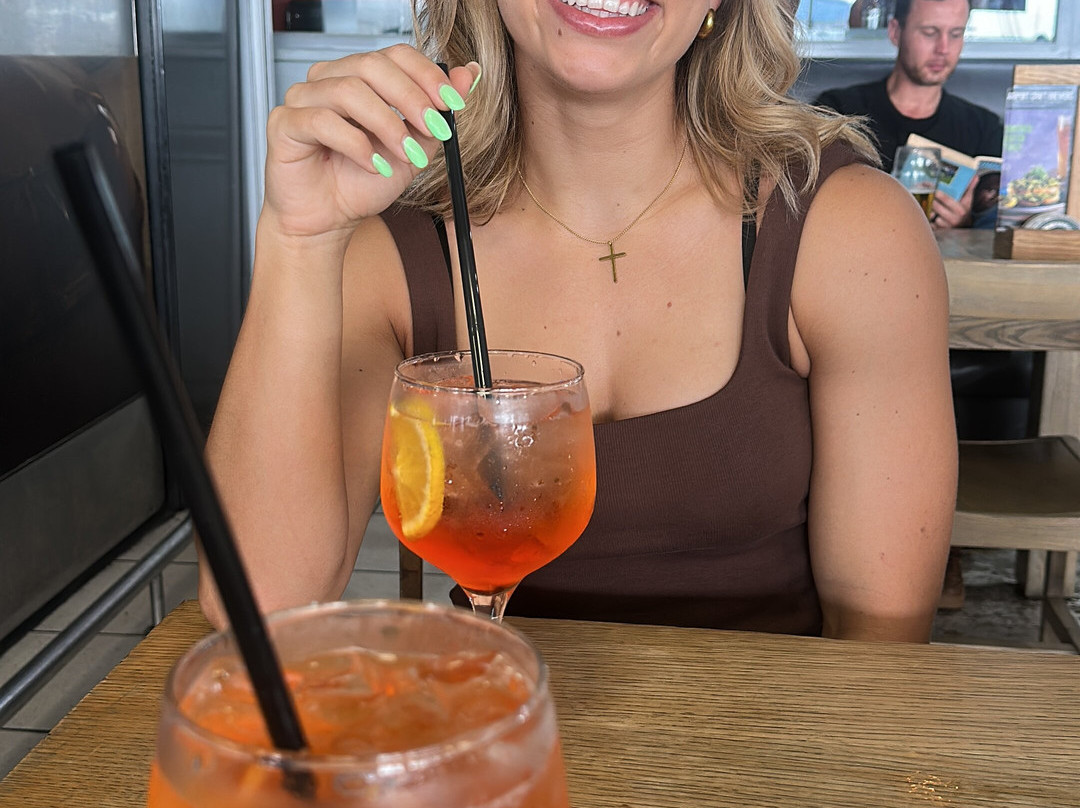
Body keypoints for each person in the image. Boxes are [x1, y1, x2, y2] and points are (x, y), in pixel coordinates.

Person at [199, 0, 957, 643]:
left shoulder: (848, 229)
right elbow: (260, 607)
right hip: (506, 733)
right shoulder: (391, 244)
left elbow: (880, 654)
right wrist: (299, 240)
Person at [814, 0, 1002, 230]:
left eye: (955, 34)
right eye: (929, 32)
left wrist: (965, 225)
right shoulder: (838, 111)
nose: (943, 48)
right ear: (895, 32)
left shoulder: (984, 128)